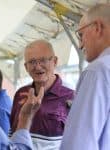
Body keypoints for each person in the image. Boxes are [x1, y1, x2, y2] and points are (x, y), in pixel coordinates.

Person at [60, 4, 110, 150]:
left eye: (81, 35)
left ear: (97, 28)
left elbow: (78, 144)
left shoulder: (98, 71)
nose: (80, 45)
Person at [10, 39, 74, 149]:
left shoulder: (71, 95)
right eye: (32, 62)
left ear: (55, 61)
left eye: (43, 60)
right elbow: (12, 134)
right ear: (26, 67)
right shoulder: (20, 94)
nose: (38, 67)